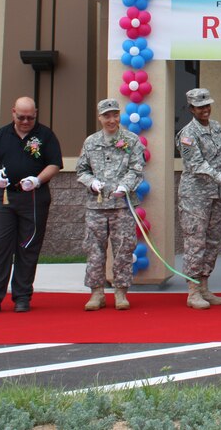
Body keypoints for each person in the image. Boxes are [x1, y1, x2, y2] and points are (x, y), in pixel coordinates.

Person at [0, 96, 63, 315]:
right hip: (4, 197)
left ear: (36, 114)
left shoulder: (45, 135)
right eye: (21, 117)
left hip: (33, 198)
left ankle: (22, 296)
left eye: (30, 117)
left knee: (28, 246)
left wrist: (38, 180)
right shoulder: (1, 135)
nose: (25, 121)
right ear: (13, 112)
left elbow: (54, 164)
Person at [75, 98, 146, 311]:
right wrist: (91, 182)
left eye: (115, 115)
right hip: (96, 206)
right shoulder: (91, 142)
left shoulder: (131, 140)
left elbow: (137, 169)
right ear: (100, 118)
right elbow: (82, 170)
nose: (111, 120)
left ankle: (121, 292)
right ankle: (96, 293)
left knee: (124, 249)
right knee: (94, 250)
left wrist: (125, 186)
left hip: (122, 205)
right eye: (107, 116)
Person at [177, 87, 221, 310]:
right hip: (195, 195)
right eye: (200, 106)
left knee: (213, 241)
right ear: (191, 108)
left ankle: (204, 286)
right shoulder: (187, 134)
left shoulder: (217, 128)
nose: (205, 109)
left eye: (207, 105)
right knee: (195, 242)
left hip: (215, 194)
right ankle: (193, 291)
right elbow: (196, 164)